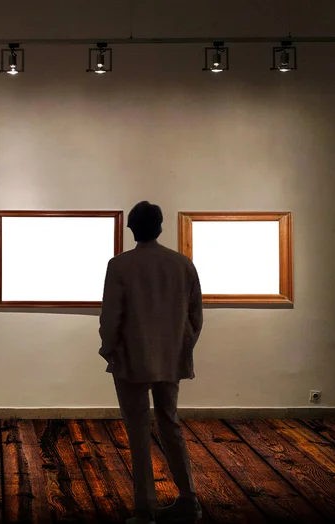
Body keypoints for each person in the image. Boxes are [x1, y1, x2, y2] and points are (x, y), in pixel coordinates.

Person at [99, 201, 204, 524]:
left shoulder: (120, 265)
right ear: (160, 227)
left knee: (138, 431)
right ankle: (188, 498)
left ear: (131, 229)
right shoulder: (182, 265)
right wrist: (180, 348)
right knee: (170, 423)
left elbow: (111, 316)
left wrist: (108, 348)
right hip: (169, 359)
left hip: (131, 359)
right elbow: (195, 317)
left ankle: (145, 508)